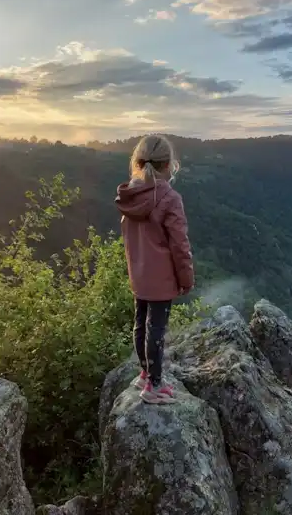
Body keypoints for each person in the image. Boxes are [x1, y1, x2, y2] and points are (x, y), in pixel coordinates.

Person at [115, 135, 194, 405]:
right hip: (161, 277)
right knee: (157, 329)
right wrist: (186, 278)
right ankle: (154, 386)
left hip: (138, 273)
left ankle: (145, 373)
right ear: (169, 165)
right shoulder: (169, 198)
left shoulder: (130, 194)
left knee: (141, 323)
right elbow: (179, 245)